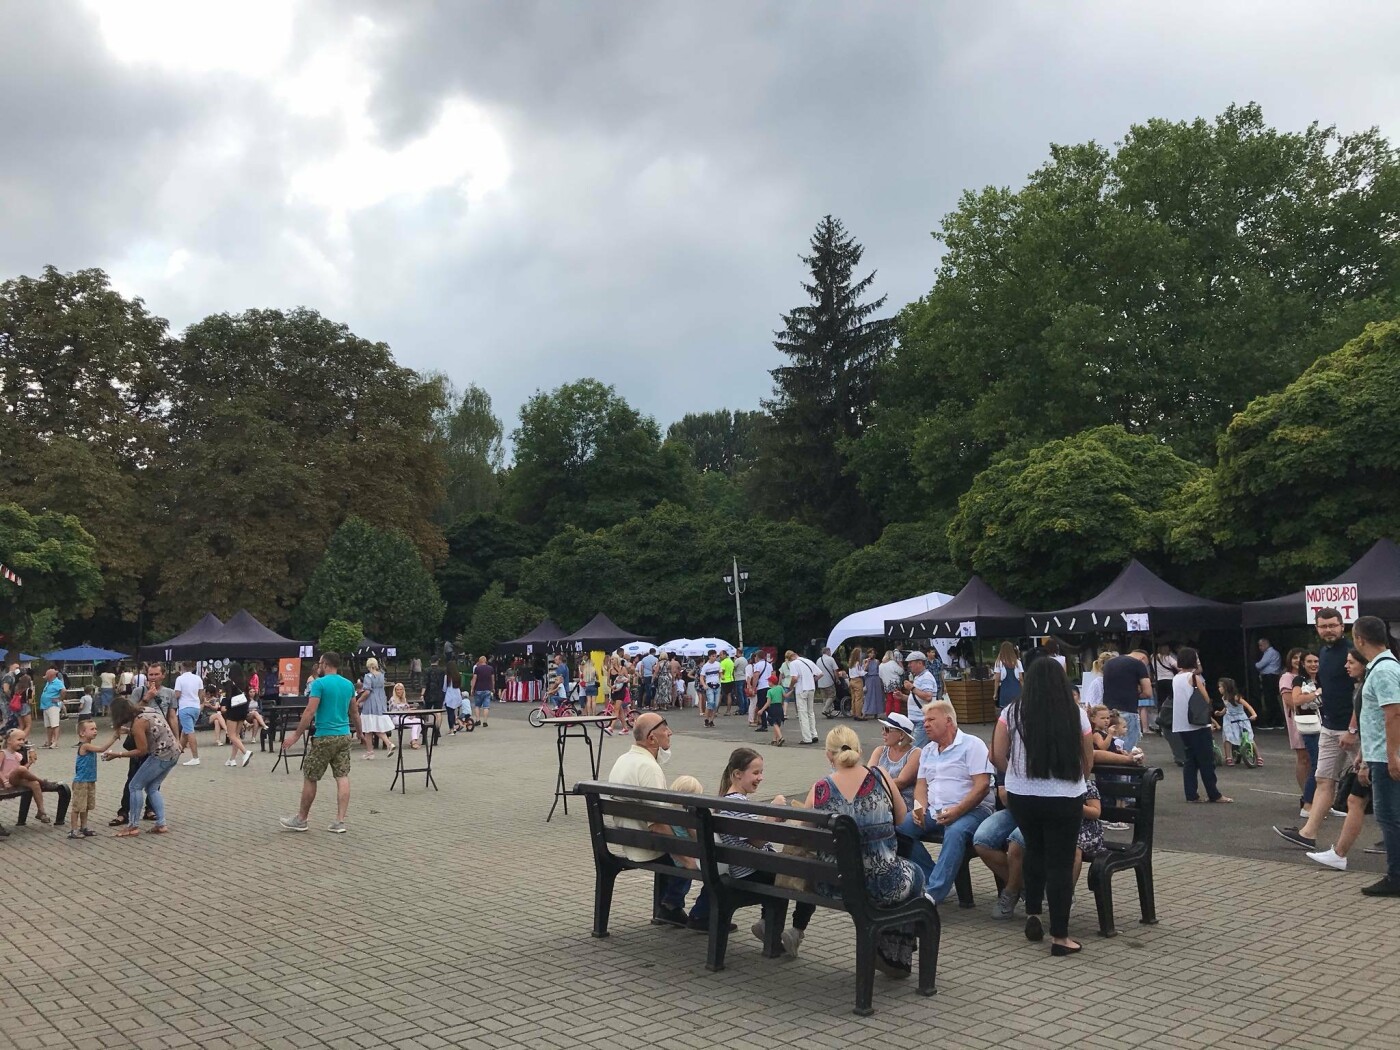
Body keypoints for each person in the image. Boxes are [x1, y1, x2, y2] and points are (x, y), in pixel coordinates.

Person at [787, 725, 925, 975]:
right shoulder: (881, 776)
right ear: (860, 750)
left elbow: (803, 833)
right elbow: (902, 818)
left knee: (904, 873)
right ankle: (894, 952)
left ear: (829, 755)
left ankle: (890, 951)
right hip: (883, 881)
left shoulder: (820, 789)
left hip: (834, 884)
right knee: (916, 875)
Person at [991, 658, 1095, 955]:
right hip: (1064, 795)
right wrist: (1078, 781)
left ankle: (1033, 913)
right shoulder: (1075, 714)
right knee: (1060, 863)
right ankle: (1060, 936)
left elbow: (997, 754)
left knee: (1033, 850)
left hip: (1022, 794)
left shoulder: (1011, 712)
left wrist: (1014, 774)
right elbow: (1088, 759)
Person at [894, 699, 993, 905]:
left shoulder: (972, 745)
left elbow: (982, 785)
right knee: (898, 829)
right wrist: (919, 808)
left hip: (973, 809)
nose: (925, 724)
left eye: (931, 719)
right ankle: (930, 878)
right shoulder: (929, 750)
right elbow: (921, 785)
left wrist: (957, 811)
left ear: (948, 721)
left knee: (955, 831)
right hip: (935, 810)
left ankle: (933, 895)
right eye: (924, 720)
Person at [605, 711, 699, 926]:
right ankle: (676, 908)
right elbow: (658, 826)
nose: (670, 732)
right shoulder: (649, 768)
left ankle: (667, 907)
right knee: (696, 849)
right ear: (651, 739)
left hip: (627, 839)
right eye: (665, 728)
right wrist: (687, 860)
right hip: (646, 847)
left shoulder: (623, 760)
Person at [1277, 611, 1357, 847]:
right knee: (1323, 779)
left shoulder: (1352, 653)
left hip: (1354, 729)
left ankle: (1390, 837)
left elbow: (1360, 692)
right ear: (1317, 628)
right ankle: (1307, 834)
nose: (1328, 630)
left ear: (1343, 626)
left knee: (1378, 780)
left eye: (1333, 625)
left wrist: (1353, 728)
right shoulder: (1323, 653)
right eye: (1323, 626)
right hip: (1329, 727)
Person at [1306, 649, 1374, 870]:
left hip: (1380, 753)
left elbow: (1381, 721)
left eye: (1351, 662)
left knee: (1365, 801)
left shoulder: (1369, 686)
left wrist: (1364, 758)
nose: (1346, 666)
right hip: (1371, 751)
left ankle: (1339, 854)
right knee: (1356, 800)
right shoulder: (1361, 686)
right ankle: (1338, 853)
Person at [279, 652, 360, 834]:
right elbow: (354, 712)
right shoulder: (348, 685)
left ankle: (301, 819)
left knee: (311, 775)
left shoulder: (319, 684)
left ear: (325, 664)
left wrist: (296, 735)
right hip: (344, 734)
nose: (318, 666)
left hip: (324, 735)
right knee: (342, 776)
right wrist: (361, 733)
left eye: (320, 663)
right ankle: (339, 821)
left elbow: (309, 711)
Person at [1351, 615, 1400, 895]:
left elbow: (1393, 713)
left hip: (1386, 756)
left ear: (1359, 639)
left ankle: (1396, 877)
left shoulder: (1383, 670)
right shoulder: (1381, 667)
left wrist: (1391, 755)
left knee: (1390, 817)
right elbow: (1373, 717)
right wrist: (1363, 753)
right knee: (1390, 816)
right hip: (1378, 753)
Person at [105, 684, 182, 837]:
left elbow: (142, 751)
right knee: (152, 787)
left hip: (161, 755)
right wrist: (128, 730)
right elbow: (151, 728)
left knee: (135, 786)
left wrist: (118, 754)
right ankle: (161, 823)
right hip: (173, 751)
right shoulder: (145, 711)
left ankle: (133, 826)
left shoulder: (138, 723)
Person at [1172, 647, 1233, 804]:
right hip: (1197, 723)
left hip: (1181, 724)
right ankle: (1214, 794)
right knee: (1206, 760)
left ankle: (1191, 794)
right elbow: (1206, 699)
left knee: (1190, 759)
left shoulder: (1176, 678)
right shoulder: (1193, 677)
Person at [1278, 648, 1314, 814]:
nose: (1297, 661)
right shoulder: (1287, 677)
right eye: (1295, 658)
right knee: (1303, 757)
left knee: (1314, 759)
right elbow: (1289, 701)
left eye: (1301, 658)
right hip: (1299, 721)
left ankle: (1313, 795)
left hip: (1314, 721)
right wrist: (1309, 704)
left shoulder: (1308, 677)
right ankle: (1305, 795)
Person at [0, 728, 56, 824]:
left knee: (34, 784)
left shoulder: (17, 755)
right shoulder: (3, 753)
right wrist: (5, 782)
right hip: (6, 781)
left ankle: (41, 812)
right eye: (19, 740)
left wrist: (30, 762)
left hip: (16, 779)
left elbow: (22, 769)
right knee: (22, 769)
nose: (22, 742)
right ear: (9, 741)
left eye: (23, 740)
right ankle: (44, 782)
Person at [1101, 650, 1152, 752]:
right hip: (1128, 710)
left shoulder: (1109, 663)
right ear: (1143, 658)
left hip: (1109, 711)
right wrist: (1137, 694)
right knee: (1127, 749)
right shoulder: (1138, 664)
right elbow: (1148, 692)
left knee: (1113, 746)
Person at [869, 712, 921, 810]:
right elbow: (868, 776)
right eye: (883, 728)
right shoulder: (880, 750)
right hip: (877, 797)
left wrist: (873, 788)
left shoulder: (915, 753)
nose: (883, 733)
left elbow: (901, 782)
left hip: (901, 802)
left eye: (887, 730)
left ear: (901, 735)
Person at [68, 718, 106, 839]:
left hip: (90, 780)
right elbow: (101, 749)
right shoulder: (85, 746)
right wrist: (115, 737)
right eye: (92, 729)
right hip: (81, 782)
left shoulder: (90, 745)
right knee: (77, 807)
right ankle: (73, 830)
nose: (95, 731)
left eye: (96, 728)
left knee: (85, 806)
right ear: (82, 733)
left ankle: (84, 827)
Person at [355, 657, 395, 759]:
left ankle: (372, 751)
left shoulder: (368, 676)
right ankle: (384, 745)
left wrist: (359, 701)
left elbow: (367, 692)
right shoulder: (381, 675)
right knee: (375, 726)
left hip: (370, 704)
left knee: (368, 728)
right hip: (380, 702)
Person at [902, 651, 938, 749]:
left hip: (922, 720)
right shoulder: (919, 677)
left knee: (916, 749)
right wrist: (902, 697)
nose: (909, 665)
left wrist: (912, 688)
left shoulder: (926, 677)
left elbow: (928, 696)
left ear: (920, 663)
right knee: (916, 748)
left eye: (911, 662)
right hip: (916, 720)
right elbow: (917, 698)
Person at [1217, 679, 1258, 766]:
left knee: (1249, 737)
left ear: (1226, 687)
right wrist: (1221, 713)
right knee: (1227, 737)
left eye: (1220, 687)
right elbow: (1227, 707)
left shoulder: (1236, 697)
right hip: (1229, 719)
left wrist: (1254, 714)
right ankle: (1228, 757)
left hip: (1240, 717)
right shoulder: (1224, 698)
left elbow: (1248, 706)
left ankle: (1258, 756)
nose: (1219, 688)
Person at [785, 650, 822, 745]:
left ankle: (807, 738)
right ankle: (814, 735)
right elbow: (820, 673)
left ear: (790, 658)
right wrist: (813, 680)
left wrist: (791, 686)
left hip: (801, 689)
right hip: (811, 688)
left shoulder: (794, 663)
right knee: (811, 712)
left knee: (803, 713)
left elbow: (794, 678)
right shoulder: (808, 661)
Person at [172, 661, 204, 766]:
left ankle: (195, 757)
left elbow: (177, 694)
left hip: (184, 707)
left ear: (182, 668)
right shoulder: (198, 678)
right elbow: (201, 693)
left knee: (190, 731)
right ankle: (176, 755)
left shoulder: (180, 679)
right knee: (185, 732)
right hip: (195, 707)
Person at [220, 668, 254, 768]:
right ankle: (232, 759)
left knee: (231, 735)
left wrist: (225, 704)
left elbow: (228, 697)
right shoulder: (244, 683)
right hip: (243, 710)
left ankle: (245, 752)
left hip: (233, 711)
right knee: (237, 736)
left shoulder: (229, 683)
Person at [1255, 637, 1284, 728]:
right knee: (1273, 700)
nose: (1260, 648)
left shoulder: (1270, 653)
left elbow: (1260, 665)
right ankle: (1278, 721)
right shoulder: (1275, 653)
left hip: (1269, 677)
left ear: (1266, 644)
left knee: (1269, 700)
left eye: (1261, 645)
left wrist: (1255, 664)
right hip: (1273, 676)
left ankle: (1271, 722)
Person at [992, 642, 1024, 712]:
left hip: (1005, 691)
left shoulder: (999, 662)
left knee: (1005, 713)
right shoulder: (1018, 662)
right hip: (1016, 691)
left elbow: (997, 680)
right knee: (1017, 712)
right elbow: (1021, 679)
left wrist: (995, 693)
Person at [755, 674, 785, 746]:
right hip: (780, 707)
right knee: (778, 723)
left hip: (773, 707)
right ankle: (774, 739)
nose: (768, 683)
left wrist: (761, 710)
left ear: (771, 682)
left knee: (774, 723)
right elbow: (784, 696)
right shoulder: (780, 688)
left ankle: (780, 737)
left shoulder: (769, 691)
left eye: (768, 681)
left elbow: (768, 703)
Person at [39, 667, 65, 749]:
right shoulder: (49, 682)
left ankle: (55, 742)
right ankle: (49, 741)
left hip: (52, 706)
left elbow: (64, 691)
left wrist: (59, 699)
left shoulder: (57, 682)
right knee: (48, 725)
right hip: (46, 706)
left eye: (47, 675)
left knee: (55, 724)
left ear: (51, 676)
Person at [470, 656, 494, 727]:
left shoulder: (477, 669)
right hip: (487, 689)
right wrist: (492, 687)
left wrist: (472, 688)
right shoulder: (490, 668)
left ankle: (477, 720)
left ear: (480, 661)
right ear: (486, 661)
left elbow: (474, 679)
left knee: (477, 706)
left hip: (479, 689)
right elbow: (492, 679)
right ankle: (485, 721)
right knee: (486, 706)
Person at [816, 647, 840, 718]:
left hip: (820, 681)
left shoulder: (818, 660)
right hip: (829, 681)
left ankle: (828, 713)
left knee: (825, 698)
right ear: (828, 652)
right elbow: (835, 670)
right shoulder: (831, 659)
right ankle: (825, 709)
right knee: (832, 696)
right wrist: (837, 679)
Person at [699, 651, 722, 726]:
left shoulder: (718, 664)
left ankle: (711, 720)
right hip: (709, 686)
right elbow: (701, 677)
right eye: (713, 656)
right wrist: (704, 685)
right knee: (710, 702)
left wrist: (720, 679)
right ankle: (706, 719)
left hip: (717, 685)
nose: (714, 658)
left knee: (716, 704)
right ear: (709, 656)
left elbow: (720, 673)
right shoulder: (706, 666)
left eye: (715, 656)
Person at [861, 650, 882, 721]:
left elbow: (879, 671)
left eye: (873, 653)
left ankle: (876, 713)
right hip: (869, 678)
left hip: (876, 678)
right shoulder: (865, 661)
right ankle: (865, 712)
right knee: (868, 695)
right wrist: (867, 663)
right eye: (870, 653)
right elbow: (864, 669)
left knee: (877, 696)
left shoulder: (877, 661)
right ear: (868, 654)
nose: (872, 654)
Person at [716, 649, 735, 716]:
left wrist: (718, 678)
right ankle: (728, 711)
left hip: (724, 681)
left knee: (720, 696)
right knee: (729, 695)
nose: (720, 656)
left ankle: (716, 711)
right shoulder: (731, 661)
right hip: (731, 679)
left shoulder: (723, 662)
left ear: (724, 655)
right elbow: (732, 671)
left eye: (721, 655)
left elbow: (721, 672)